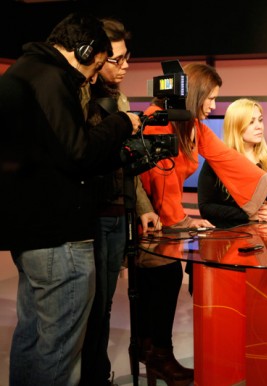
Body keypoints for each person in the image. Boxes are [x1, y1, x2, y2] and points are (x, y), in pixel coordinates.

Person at [0, 12, 141, 386]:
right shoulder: (50, 78)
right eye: (96, 66)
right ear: (82, 49)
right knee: (60, 351)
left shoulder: (21, 73)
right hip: (60, 237)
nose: (92, 78)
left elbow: (55, 153)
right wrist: (123, 122)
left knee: (31, 338)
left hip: (32, 234)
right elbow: (77, 152)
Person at [136, 63, 267, 386]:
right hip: (147, 219)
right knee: (161, 282)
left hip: (166, 218)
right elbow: (157, 181)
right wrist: (183, 221)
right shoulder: (159, 122)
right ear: (193, 94)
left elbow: (224, 156)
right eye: (210, 98)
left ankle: (156, 354)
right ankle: (155, 355)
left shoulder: (191, 124)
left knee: (164, 281)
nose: (213, 106)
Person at [80, 18, 162, 386]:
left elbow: (126, 162)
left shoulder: (122, 99)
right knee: (89, 306)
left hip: (118, 213)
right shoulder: (79, 95)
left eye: (127, 58)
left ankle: (97, 371)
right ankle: (89, 373)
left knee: (107, 303)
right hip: (89, 214)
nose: (124, 66)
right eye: (116, 59)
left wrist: (144, 208)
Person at [198, 98, 267, 228]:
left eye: (260, 120)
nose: (259, 126)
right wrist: (249, 215)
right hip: (229, 239)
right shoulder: (216, 161)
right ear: (235, 126)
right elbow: (206, 208)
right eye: (251, 122)